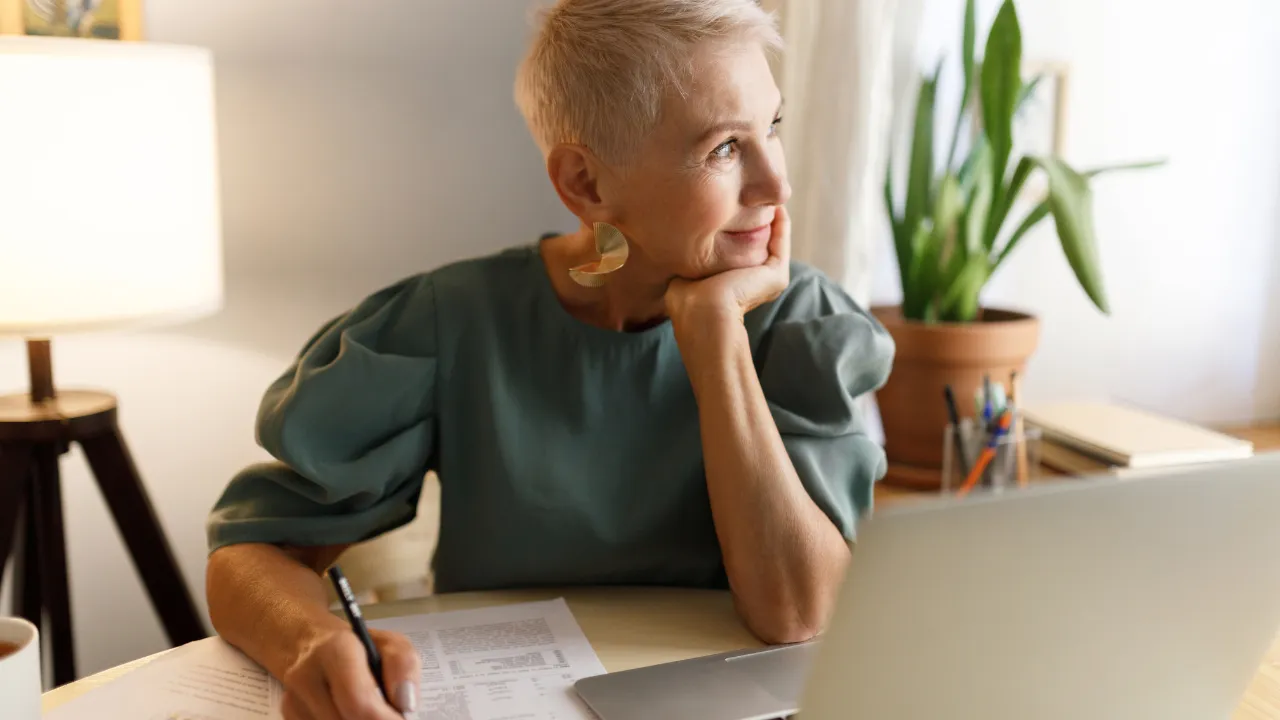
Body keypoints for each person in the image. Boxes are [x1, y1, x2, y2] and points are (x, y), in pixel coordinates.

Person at [203, 1, 895, 718]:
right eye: (724, 148)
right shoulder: (452, 323)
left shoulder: (799, 319)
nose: (775, 185)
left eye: (771, 126)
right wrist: (311, 640)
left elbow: (801, 615)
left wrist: (717, 338)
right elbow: (250, 551)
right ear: (586, 185)